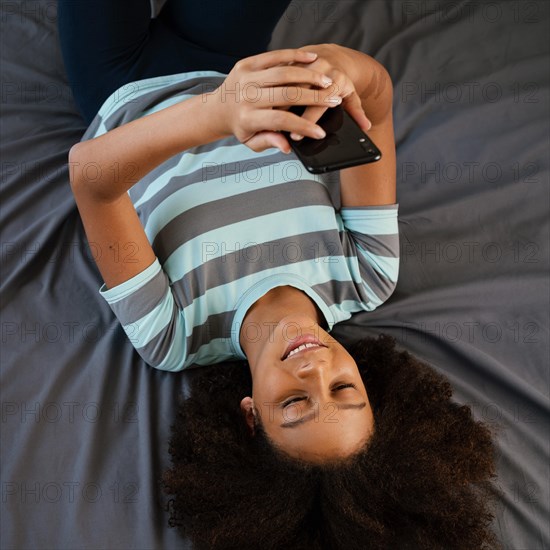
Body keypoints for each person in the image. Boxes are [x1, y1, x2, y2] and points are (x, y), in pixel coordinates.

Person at [59, 1, 499, 547]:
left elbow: (91, 177)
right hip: (230, 62)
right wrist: (341, 71)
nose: (315, 371)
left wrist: (219, 112)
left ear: (250, 417)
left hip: (118, 84)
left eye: (294, 405)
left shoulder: (175, 336)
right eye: (344, 390)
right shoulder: (365, 274)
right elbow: (378, 103)